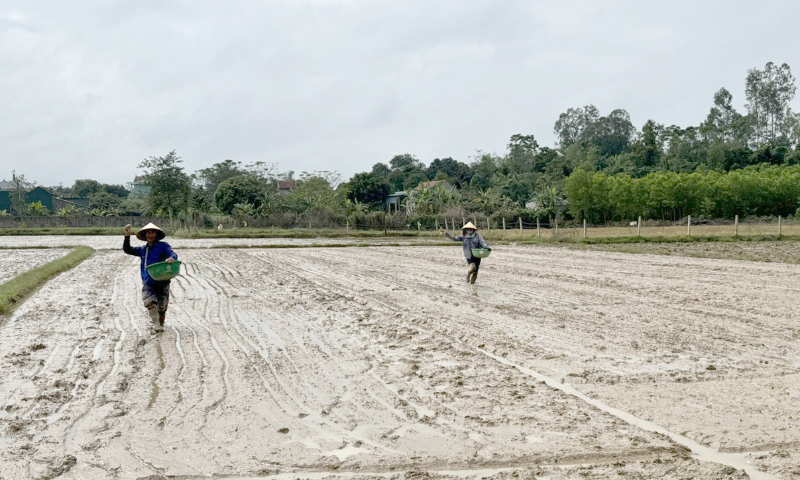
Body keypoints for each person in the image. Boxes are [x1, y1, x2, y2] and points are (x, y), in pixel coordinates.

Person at [123, 223, 178, 333]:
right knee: (149, 302)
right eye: (148, 232)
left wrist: (171, 258)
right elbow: (127, 249)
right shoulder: (143, 249)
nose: (150, 235)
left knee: (162, 308)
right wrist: (127, 236)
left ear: (156, 234)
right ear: (145, 235)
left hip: (163, 281)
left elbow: (173, 254)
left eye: (153, 232)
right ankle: (156, 325)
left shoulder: (163, 246)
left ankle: (161, 324)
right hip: (149, 281)